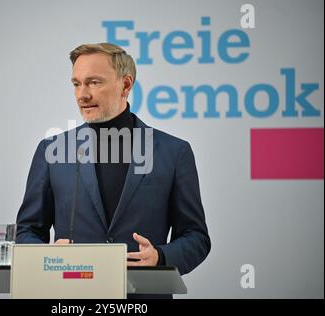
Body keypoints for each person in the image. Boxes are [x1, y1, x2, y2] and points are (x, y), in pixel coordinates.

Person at [16, 43, 210, 279]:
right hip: (72, 295)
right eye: (76, 84)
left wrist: (160, 256)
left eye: (94, 82)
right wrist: (48, 258)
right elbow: (27, 231)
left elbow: (196, 238)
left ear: (126, 84)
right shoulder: (52, 151)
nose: (82, 95)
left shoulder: (174, 152)